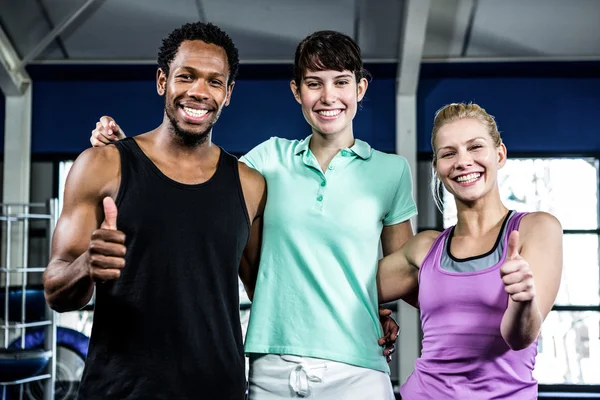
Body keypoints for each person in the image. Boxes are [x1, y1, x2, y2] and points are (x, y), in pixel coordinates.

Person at [89, 30, 416, 399]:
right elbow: (191, 188)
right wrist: (128, 154)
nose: (328, 97)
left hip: (358, 366)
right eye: (314, 83)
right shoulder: (266, 160)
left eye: (341, 82)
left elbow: (399, 271)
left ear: (360, 88)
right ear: (296, 91)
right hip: (272, 366)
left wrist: (375, 309)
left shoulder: (392, 171)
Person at [43, 22, 267, 399]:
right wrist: (86, 265)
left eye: (215, 82)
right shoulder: (103, 166)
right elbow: (56, 290)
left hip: (219, 390)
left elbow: (272, 291)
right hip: (119, 390)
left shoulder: (249, 185)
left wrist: (360, 312)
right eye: (187, 76)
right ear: (163, 80)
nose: (199, 92)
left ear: (228, 94)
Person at [376, 102, 563, 399]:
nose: (463, 162)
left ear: (499, 154)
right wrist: (375, 315)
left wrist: (524, 300)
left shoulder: (537, 229)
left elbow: (519, 338)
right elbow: (346, 290)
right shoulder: (426, 248)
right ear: (437, 167)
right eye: (449, 153)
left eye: (475, 147)